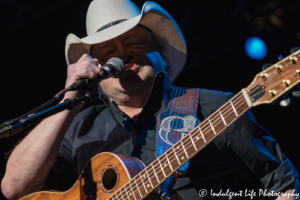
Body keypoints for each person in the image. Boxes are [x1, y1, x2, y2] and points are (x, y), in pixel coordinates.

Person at [1, 0, 299, 199]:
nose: (124, 54)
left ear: (162, 57)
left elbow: (282, 184)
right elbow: (15, 187)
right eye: (108, 52)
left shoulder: (212, 107)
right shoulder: (79, 128)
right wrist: (71, 93)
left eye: (135, 43)